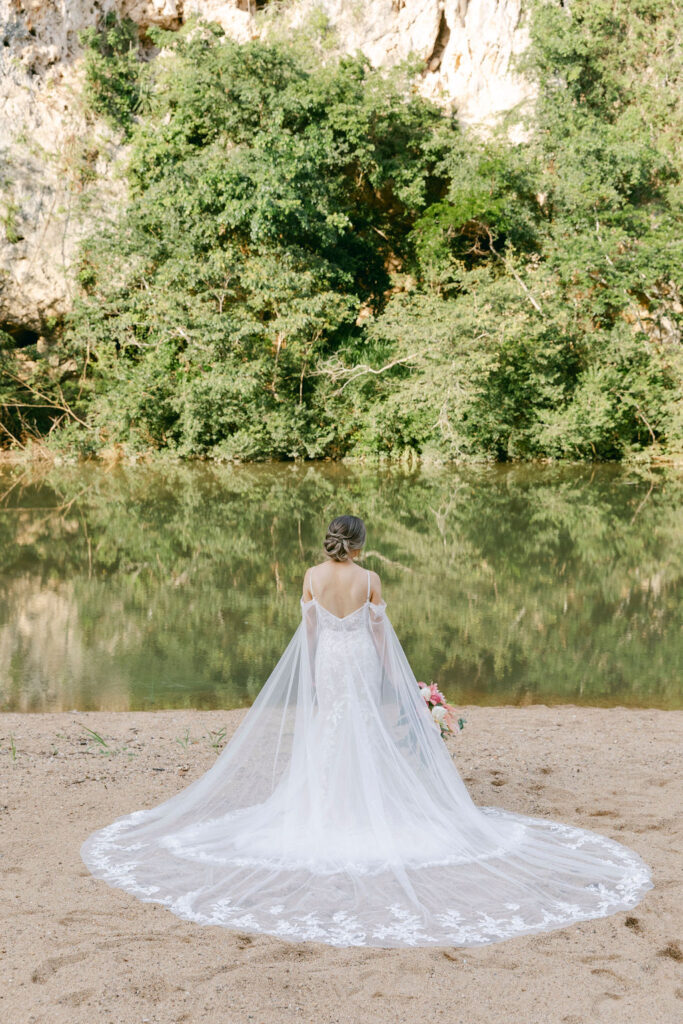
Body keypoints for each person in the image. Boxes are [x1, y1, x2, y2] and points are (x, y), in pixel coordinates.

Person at [81, 514, 653, 948]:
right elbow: (382, 639)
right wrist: (394, 684)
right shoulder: (371, 578)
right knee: (360, 729)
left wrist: (307, 675)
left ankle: (327, 808)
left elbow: (306, 634)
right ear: (358, 545)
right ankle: (363, 805)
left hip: (327, 664)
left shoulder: (309, 576)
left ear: (330, 542)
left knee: (330, 730)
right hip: (356, 663)